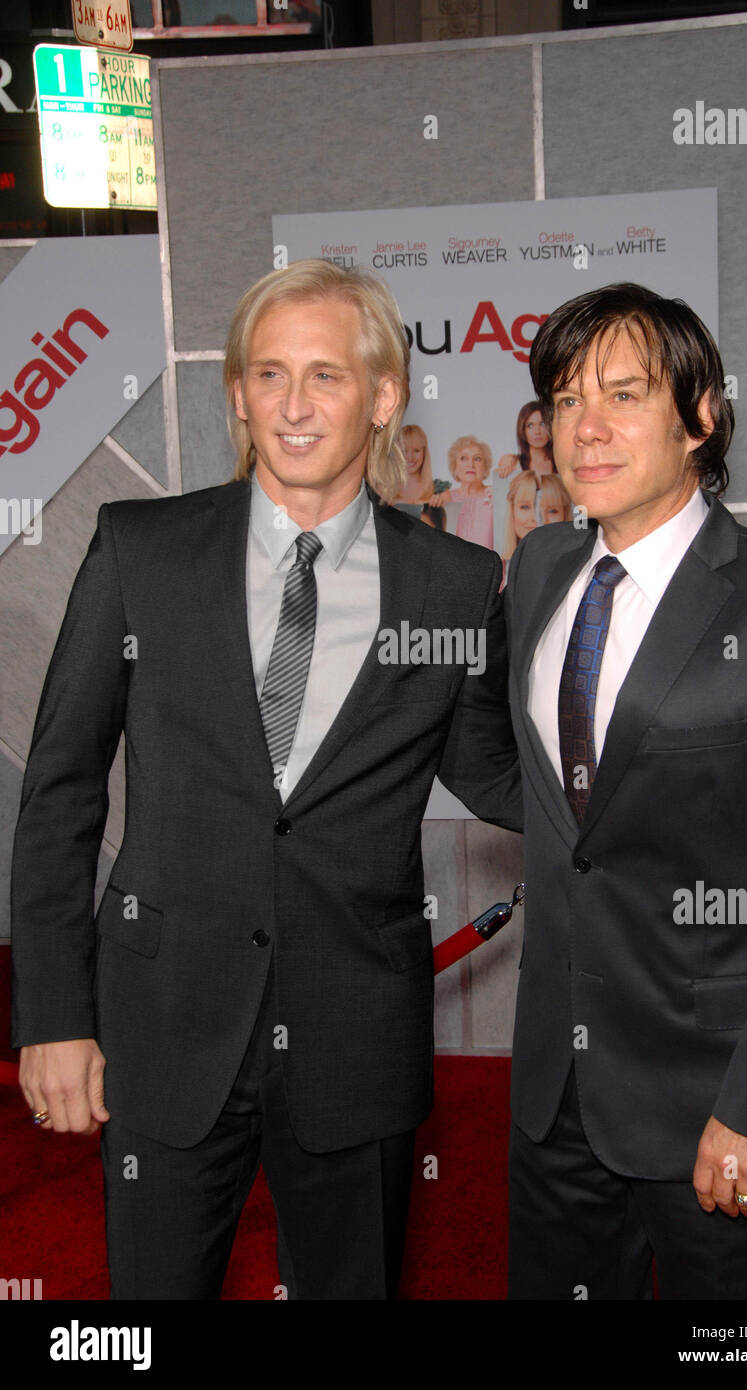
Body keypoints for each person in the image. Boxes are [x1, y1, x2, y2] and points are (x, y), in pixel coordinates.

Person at [10, 258, 522, 1302]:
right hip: (161, 1021)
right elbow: (60, 788)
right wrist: (54, 1014)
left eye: (326, 376)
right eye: (267, 373)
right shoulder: (140, 549)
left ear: (381, 398)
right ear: (238, 391)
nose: (293, 405)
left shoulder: (454, 583)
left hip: (355, 1038)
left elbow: (497, 776)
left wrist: (676, 796)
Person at [504, 280, 747, 1301]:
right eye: (566, 400)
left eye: (622, 394)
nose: (586, 427)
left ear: (699, 417)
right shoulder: (537, 570)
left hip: (722, 1104)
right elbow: (563, 798)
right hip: (555, 1098)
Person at [431, 435, 495, 551]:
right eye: (463, 458)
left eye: (477, 459)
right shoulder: (445, 499)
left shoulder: (494, 496)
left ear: (485, 466)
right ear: (454, 466)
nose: (470, 464)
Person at [499, 469, 539, 590]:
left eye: (539, 506)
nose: (534, 517)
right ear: (513, 510)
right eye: (525, 507)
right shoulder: (497, 570)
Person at [497, 401, 556, 479]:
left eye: (542, 424)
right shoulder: (513, 464)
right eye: (530, 426)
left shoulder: (560, 462)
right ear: (522, 430)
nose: (537, 431)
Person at [393, 423, 448, 506]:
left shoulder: (439, 490)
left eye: (416, 451)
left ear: (424, 453)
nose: (410, 457)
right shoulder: (386, 490)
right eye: (404, 451)